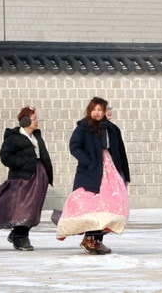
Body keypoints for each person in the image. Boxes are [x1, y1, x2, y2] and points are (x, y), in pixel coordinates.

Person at [57, 96, 131, 255]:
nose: (97, 113)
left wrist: (125, 174)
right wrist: (88, 161)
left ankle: (97, 240)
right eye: (94, 109)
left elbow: (121, 152)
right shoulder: (83, 128)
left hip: (111, 170)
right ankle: (90, 238)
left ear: (105, 112)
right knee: (94, 204)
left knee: (111, 203)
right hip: (91, 172)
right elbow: (74, 146)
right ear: (90, 111)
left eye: (100, 110)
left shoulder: (112, 129)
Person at [0, 105, 53, 251]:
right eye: (34, 119)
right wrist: (22, 163)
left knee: (33, 208)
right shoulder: (13, 138)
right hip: (22, 177)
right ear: (25, 120)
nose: (36, 121)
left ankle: (18, 234)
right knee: (23, 209)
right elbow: (5, 156)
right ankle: (20, 237)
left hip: (38, 176)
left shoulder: (36, 137)